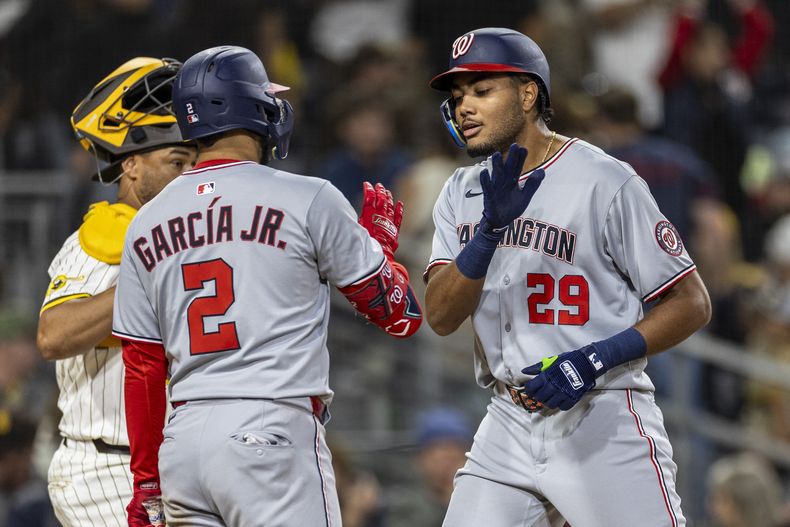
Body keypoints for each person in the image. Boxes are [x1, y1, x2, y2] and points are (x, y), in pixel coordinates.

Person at [110, 45, 422, 527]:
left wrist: (147, 483)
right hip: (270, 431)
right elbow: (399, 314)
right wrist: (379, 251)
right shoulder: (307, 196)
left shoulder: (146, 221)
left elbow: (142, 367)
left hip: (184, 444)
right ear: (255, 109)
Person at [424, 27, 712, 526]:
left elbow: (691, 303)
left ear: (529, 93)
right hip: (507, 420)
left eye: (482, 90)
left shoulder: (605, 180)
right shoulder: (461, 191)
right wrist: (489, 233)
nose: (464, 107)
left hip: (601, 414)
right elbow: (442, 316)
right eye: (458, 96)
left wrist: (594, 359)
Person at [35, 57, 196, 526]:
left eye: (194, 162)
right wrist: (142, 279)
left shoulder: (187, 236)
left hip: (170, 467)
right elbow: (53, 336)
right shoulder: (109, 233)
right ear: (130, 165)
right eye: (175, 161)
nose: (188, 175)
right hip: (108, 466)